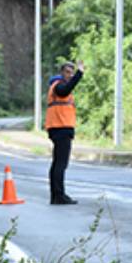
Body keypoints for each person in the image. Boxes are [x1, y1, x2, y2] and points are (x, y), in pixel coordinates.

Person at [45, 61, 84, 205]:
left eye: (72, 73)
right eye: (68, 72)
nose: (70, 75)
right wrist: (80, 74)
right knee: (60, 164)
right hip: (60, 129)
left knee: (58, 164)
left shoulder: (58, 87)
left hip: (60, 128)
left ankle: (57, 195)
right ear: (61, 73)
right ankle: (59, 195)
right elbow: (66, 89)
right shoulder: (58, 87)